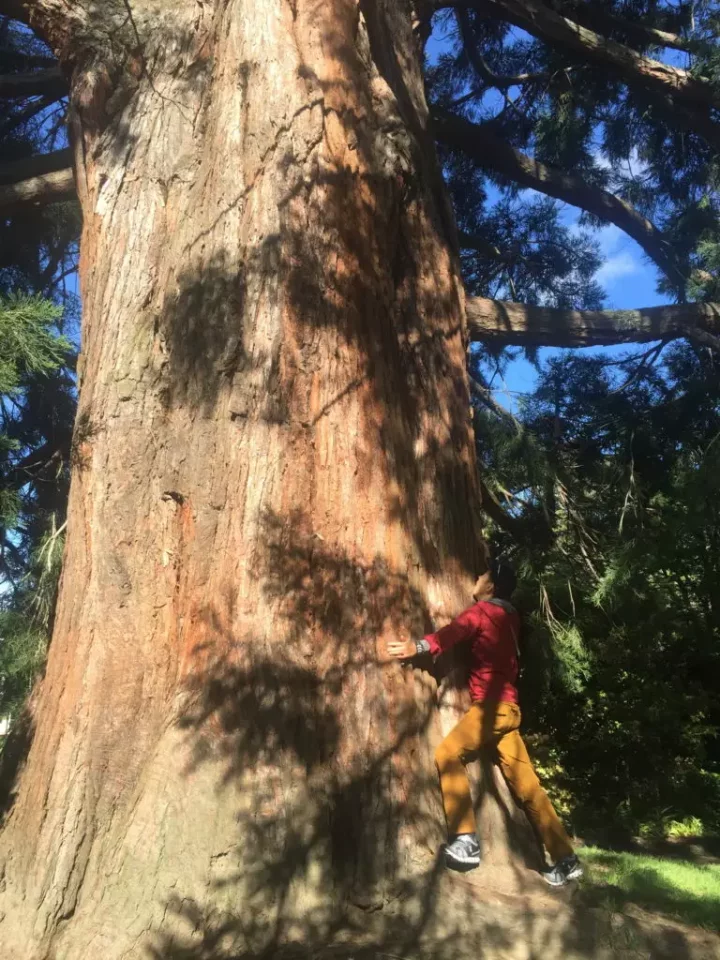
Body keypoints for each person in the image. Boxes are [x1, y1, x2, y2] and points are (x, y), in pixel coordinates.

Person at [387, 560, 583, 888]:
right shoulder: (511, 617)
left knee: (448, 754)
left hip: (490, 709)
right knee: (529, 788)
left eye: (480, 575)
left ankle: (465, 839)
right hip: (509, 710)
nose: (474, 580)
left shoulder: (482, 612)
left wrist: (415, 647)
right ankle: (565, 858)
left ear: (490, 586)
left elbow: (450, 634)